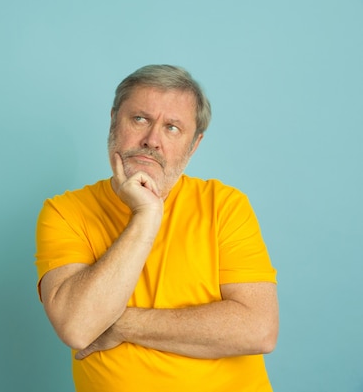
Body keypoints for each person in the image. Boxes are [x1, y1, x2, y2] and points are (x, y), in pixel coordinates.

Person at [34, 65, 279, 391]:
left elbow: (258, 329)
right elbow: (78, 328)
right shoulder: (65, 212)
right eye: (140, 119)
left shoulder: (224, 205)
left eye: (172, 128)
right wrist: (146, 215)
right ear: (113, 121)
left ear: (194, 145)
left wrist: (121, 324)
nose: (152, 140)